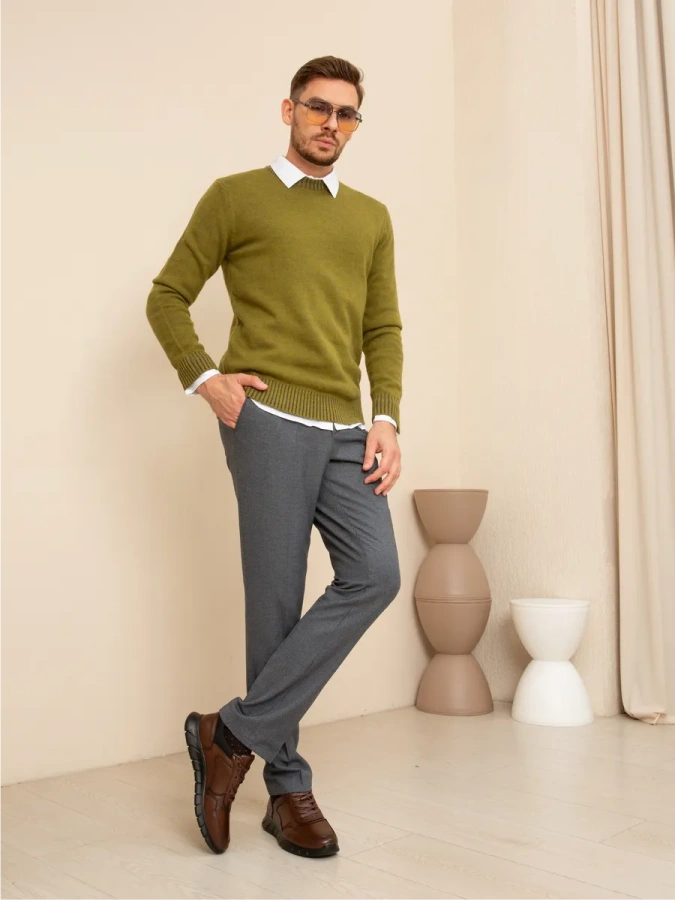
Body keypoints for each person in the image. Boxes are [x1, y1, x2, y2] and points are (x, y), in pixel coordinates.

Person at [145, 54, 403, 859]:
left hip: (346, 429)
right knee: (276, 606)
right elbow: (167, 295)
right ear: (288, 110)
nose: (331, 123)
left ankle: (230, 734)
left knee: (375, 574)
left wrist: (385, 418)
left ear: (354, 124)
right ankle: (286, 789)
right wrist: (207, 379)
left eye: (345, 113)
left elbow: (381, 327)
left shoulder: (370, 217)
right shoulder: (235, 196)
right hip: (268, 421)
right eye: (317, 107)